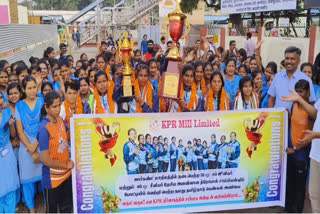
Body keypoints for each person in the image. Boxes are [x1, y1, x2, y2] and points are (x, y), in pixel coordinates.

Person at [280, 87, 320, 213]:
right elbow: (315, 113)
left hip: (313, 145)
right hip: (316, 154)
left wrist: (316, 135)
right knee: (314, 194)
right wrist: (299, 99)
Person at [38, 91, 74, 213]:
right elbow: (46, 161)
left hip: (66, 174)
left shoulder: (60, 120)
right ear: (46, 107)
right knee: (52, 210)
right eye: (54, 106)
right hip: (53, 178)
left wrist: (72, 122)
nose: (58, 109)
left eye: (59, 105)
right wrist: (65, 165)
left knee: (66, 208)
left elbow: (67, 137)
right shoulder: (43, 129)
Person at [15, 76, 43, 213]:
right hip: (26, 146)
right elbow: (20, 131)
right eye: (29, 88)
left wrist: (37, 144)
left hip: (42, 142)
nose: (32, 91)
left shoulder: (42, 101)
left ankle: (46, 203)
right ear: (23, 90)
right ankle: (31, 208)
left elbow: (45, 125)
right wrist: (32, 150)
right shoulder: (19, 106)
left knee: (45, 176)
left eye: (34, 87)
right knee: (27, 180)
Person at [0, 91, 20, 213]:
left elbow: (13, 135)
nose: (0, 100)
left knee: (11, 186)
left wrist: (11, 124)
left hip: (8, 153)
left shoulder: (7, 112)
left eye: (1, 97)